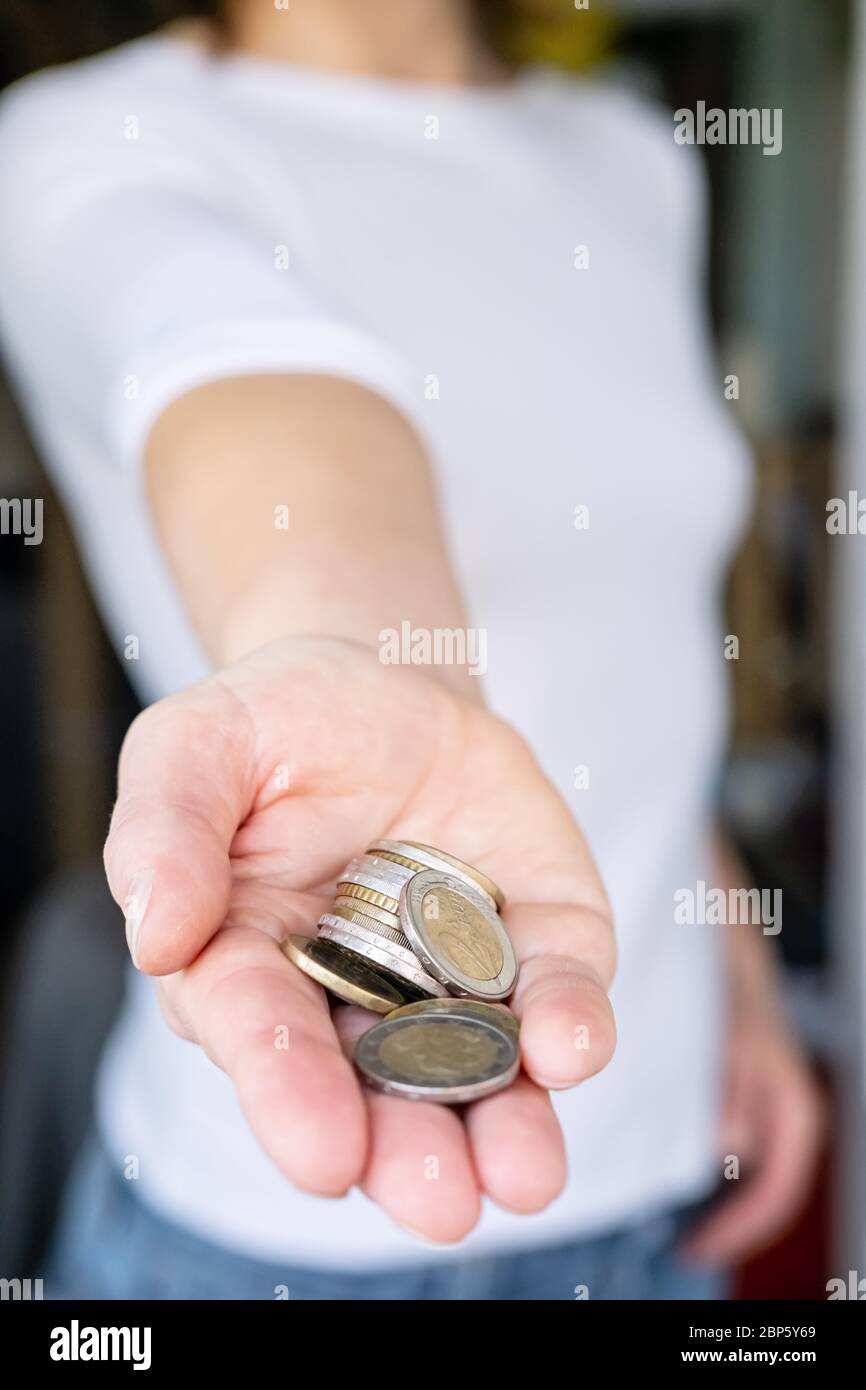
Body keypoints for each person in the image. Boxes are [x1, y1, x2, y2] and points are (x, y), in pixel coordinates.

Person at [0, 0, 822, 1300]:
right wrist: (350, 656)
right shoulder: (74, 142)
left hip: (660, 1179)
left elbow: (632, 645)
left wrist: (733, 967)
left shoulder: (628, 152)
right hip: (277, 1237)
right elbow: (260, 385)